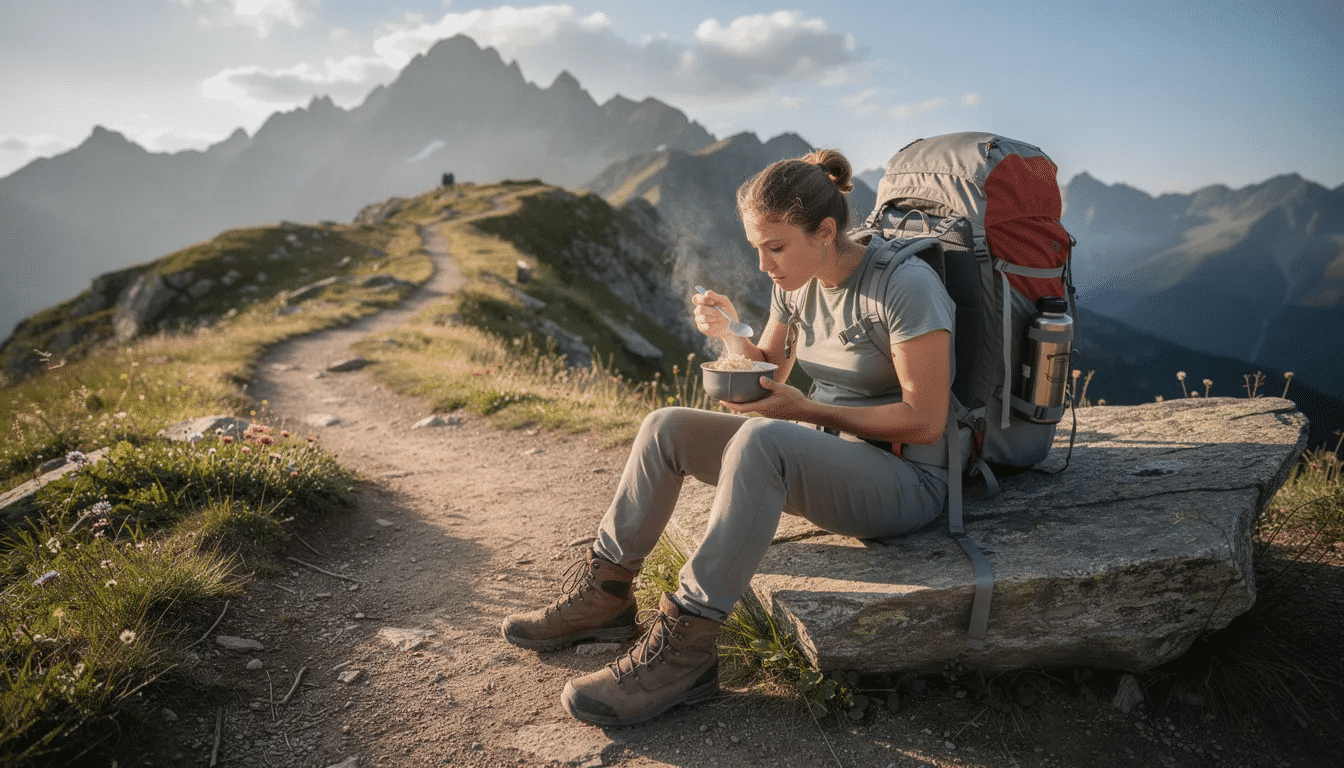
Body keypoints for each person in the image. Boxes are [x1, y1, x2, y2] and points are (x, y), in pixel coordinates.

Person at [501, 149, 955, 727]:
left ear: (825, 231)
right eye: (756, 249)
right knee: (666, 426)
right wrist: (731, 332)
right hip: (832, 457)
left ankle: (686, 650)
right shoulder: (798, 280)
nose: (765, 264)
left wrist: (809, 411)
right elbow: (769, 370)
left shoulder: (905, 286)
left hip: (908, 479)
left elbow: (926, 419)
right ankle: (606, 594)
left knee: (761, 441)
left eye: (776, 247)